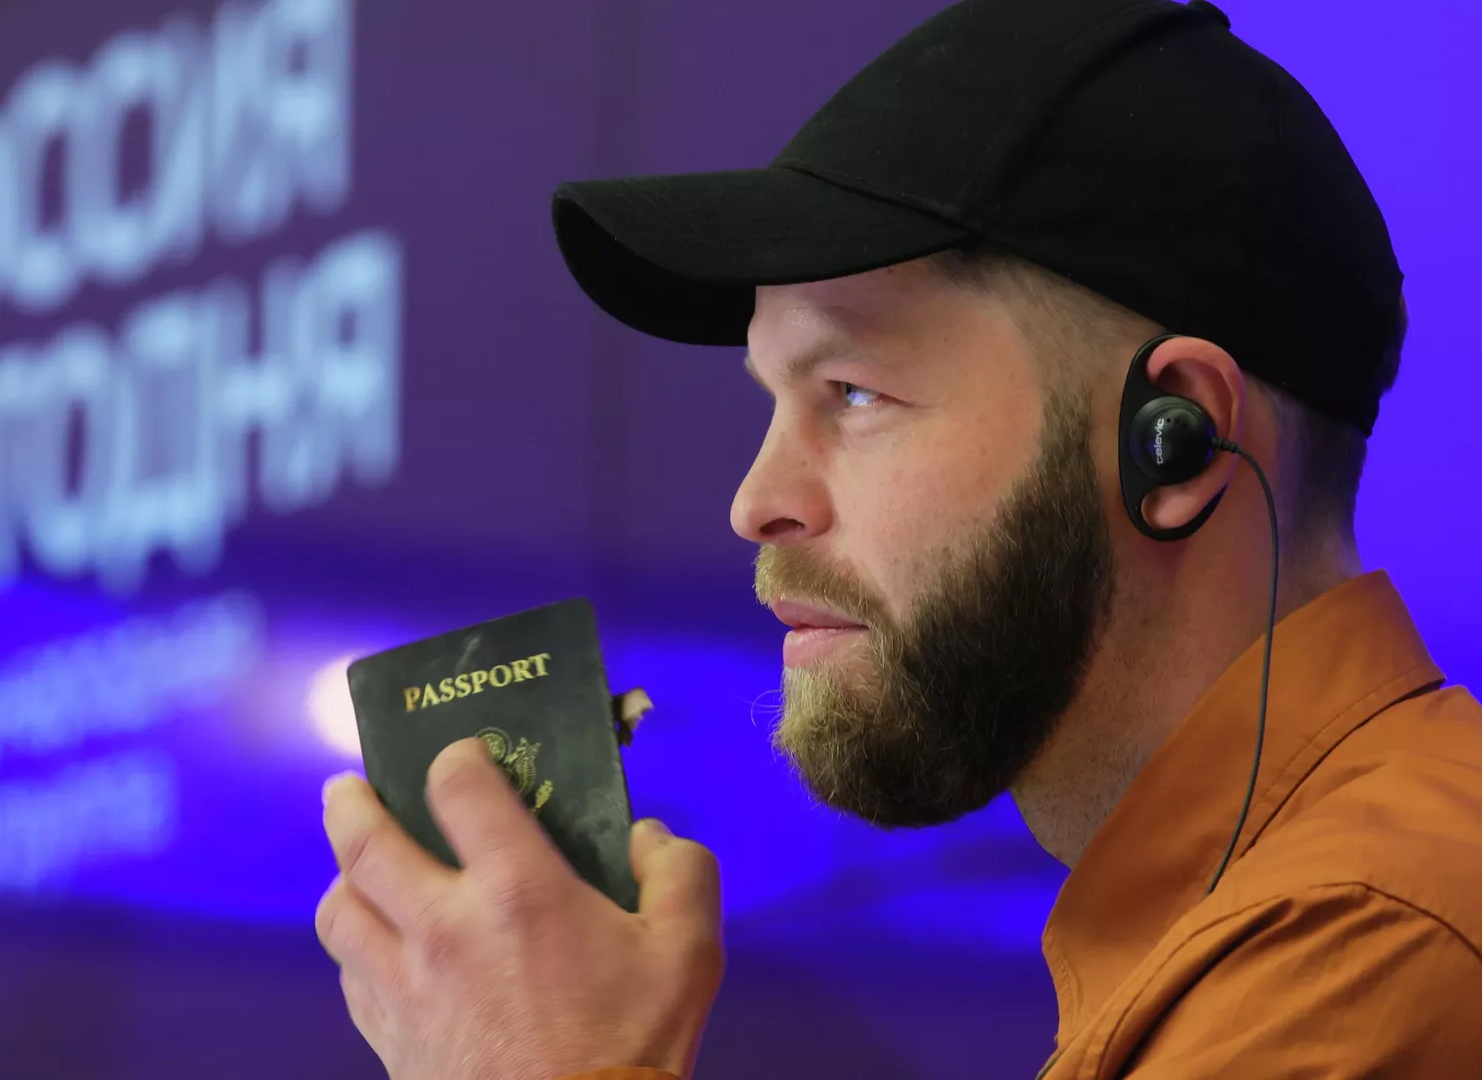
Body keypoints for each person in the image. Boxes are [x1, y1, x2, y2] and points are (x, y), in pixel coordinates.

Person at [313, 0, 1482, 1075]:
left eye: (856, 391)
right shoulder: (1226, 932)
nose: (756, 501)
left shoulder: (1366, 945)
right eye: (773, 398)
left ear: (1173, 441)